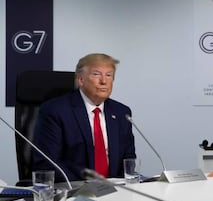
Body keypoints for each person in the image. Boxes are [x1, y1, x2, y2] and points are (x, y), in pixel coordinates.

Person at [32, 53, 136, 182]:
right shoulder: (56, 111)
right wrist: (88, 186)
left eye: (109, 75)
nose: (104, 81)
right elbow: (48, 162)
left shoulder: (121, 112)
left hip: (115, 190)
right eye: (96, 74)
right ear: (81, 80)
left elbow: (128, 158)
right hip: (74, 189)